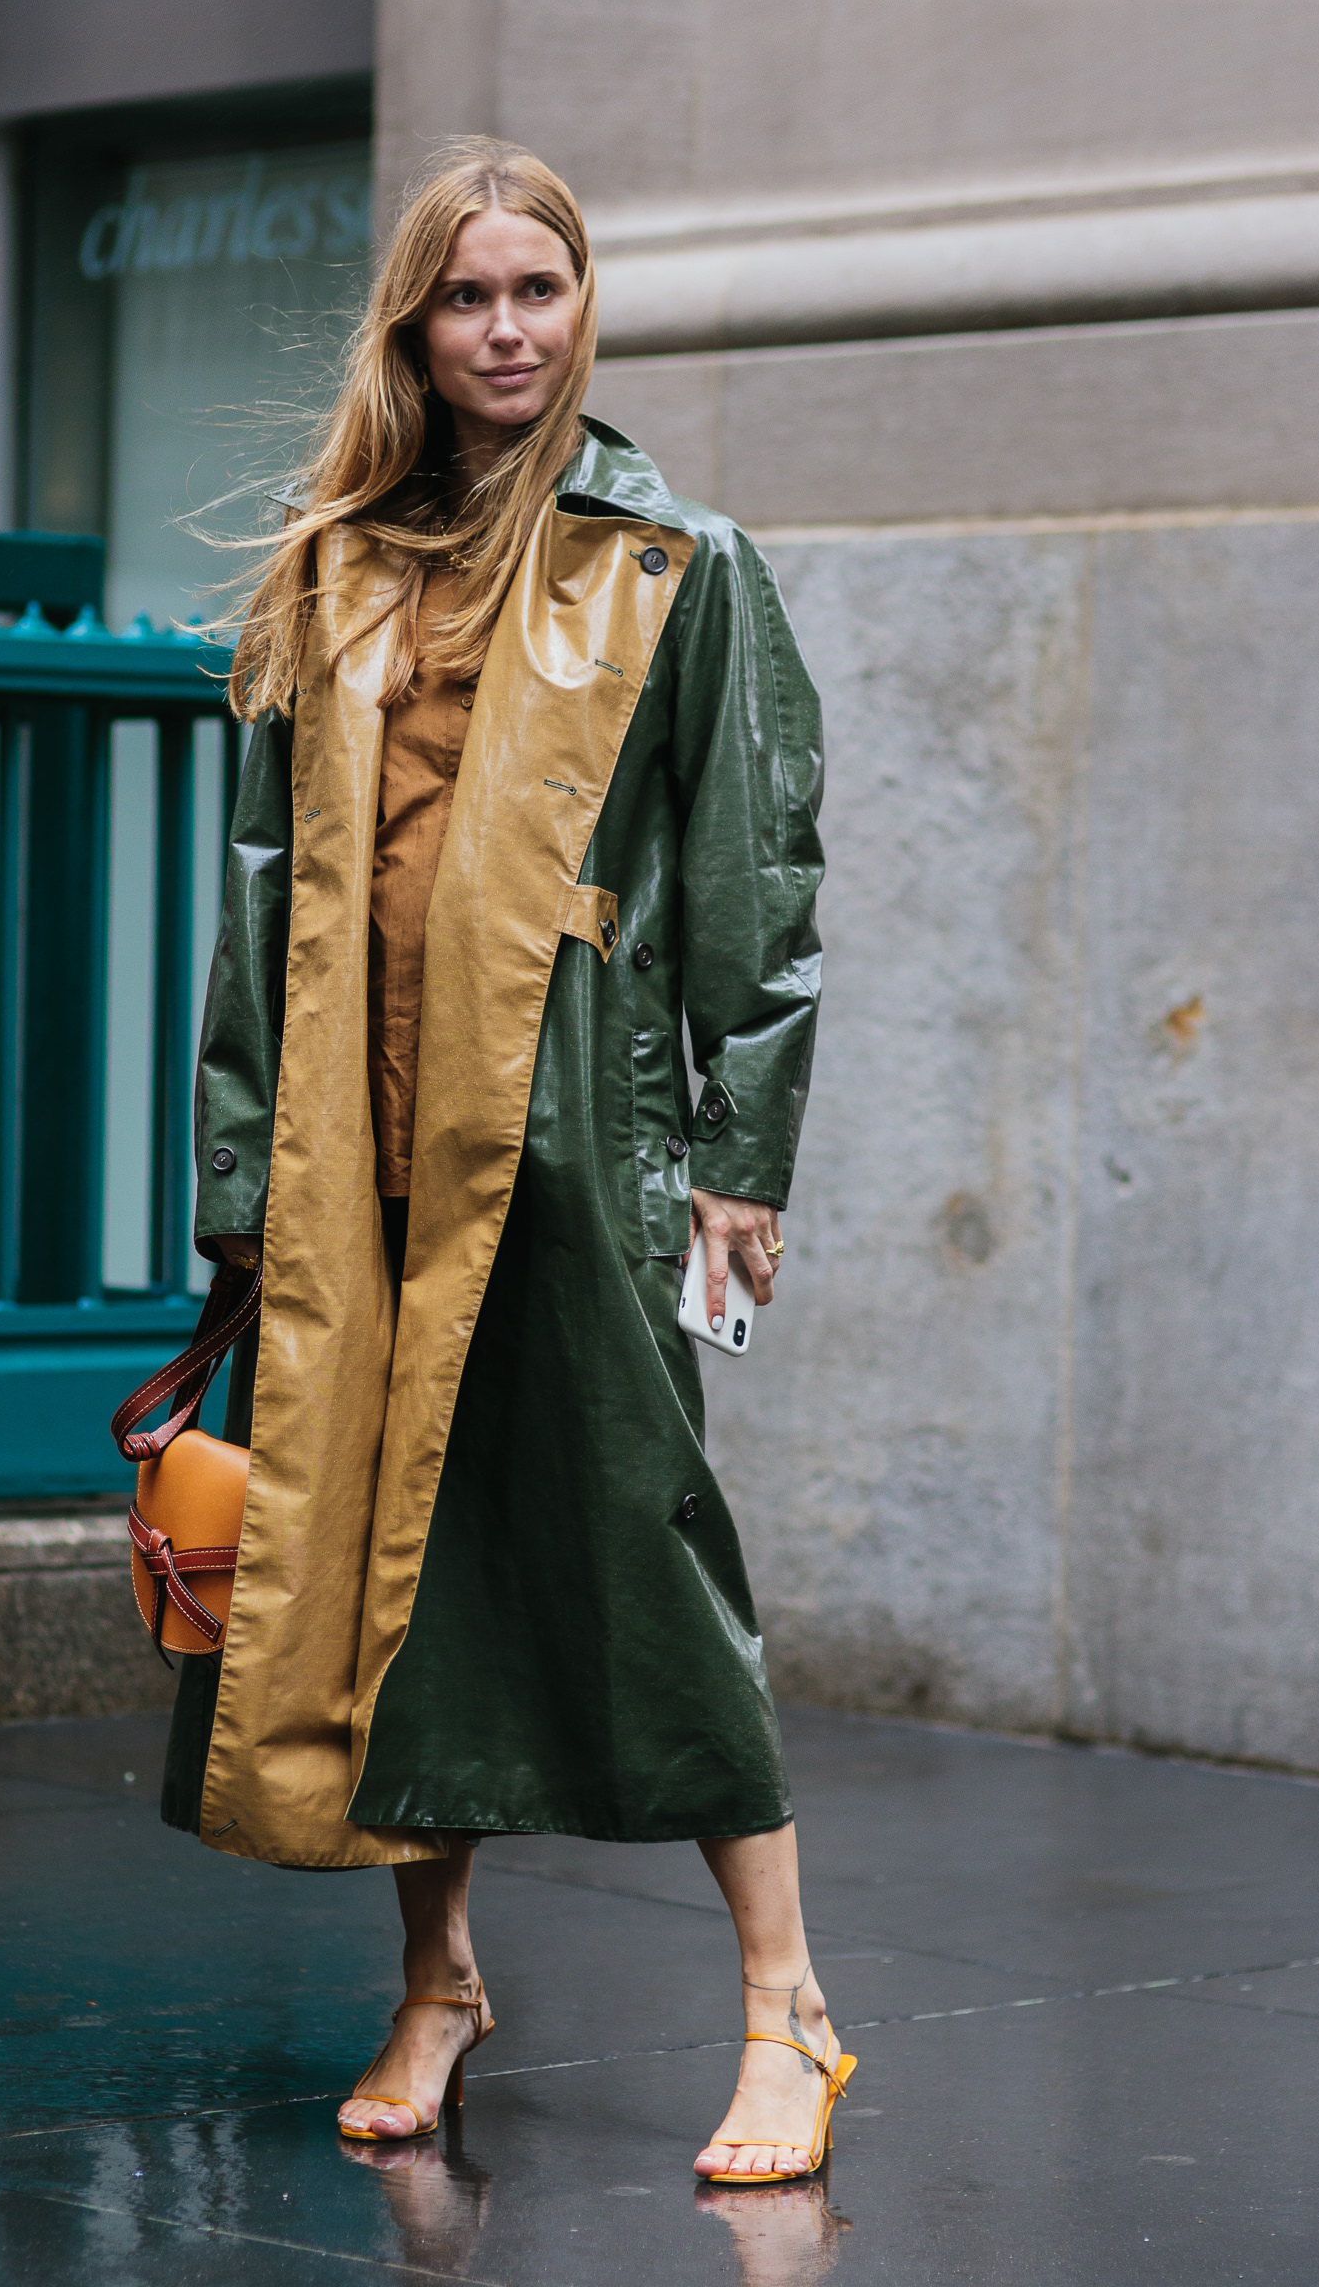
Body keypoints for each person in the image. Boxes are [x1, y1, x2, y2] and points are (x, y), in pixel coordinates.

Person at [163, 138, 843, 2183]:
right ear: (414, 323)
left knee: (645, 1542)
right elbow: (256, 896)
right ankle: (440, 1980)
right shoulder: (332, 568)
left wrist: (738, 1159)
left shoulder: (674, 561)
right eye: (465, 297)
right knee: (396, 1570)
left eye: (534, 291)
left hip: (574, 1138)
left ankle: (784, 2008)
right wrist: (233, 1179)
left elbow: (754, 877)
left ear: (579, 306)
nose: (504, 331)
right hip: (347, 1147)